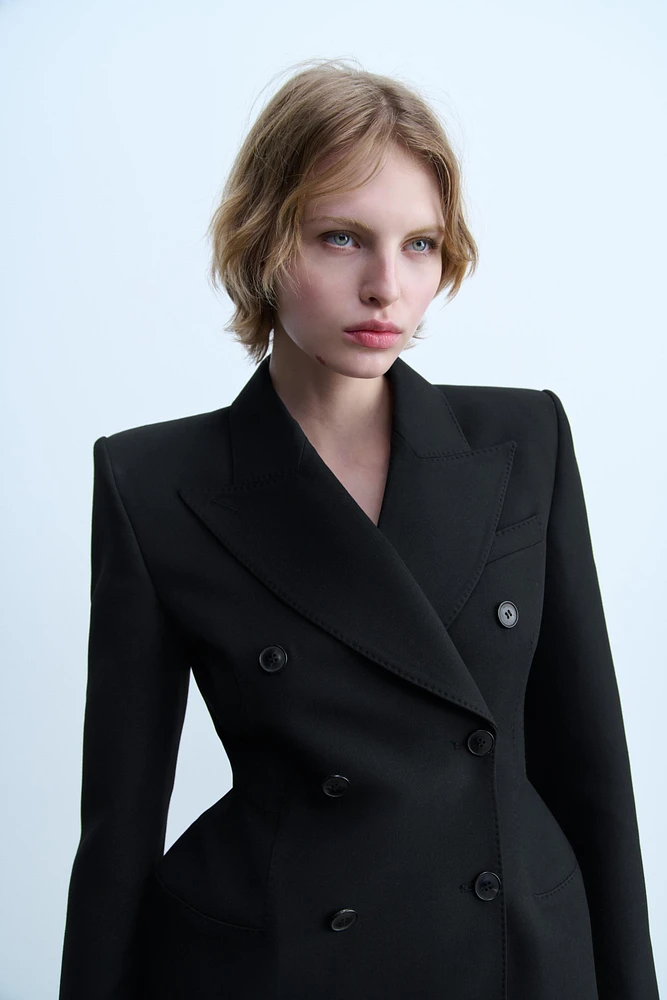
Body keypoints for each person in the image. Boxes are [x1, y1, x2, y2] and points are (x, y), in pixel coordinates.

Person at [58, 58, 660, 999]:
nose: (387, 286)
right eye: (340, 238)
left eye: (419, 244)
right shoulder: (155, 481)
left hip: (515, 956)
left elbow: (592, 774)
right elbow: (118, 823)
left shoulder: (523, 438)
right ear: (263, 239)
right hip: (278, 961)